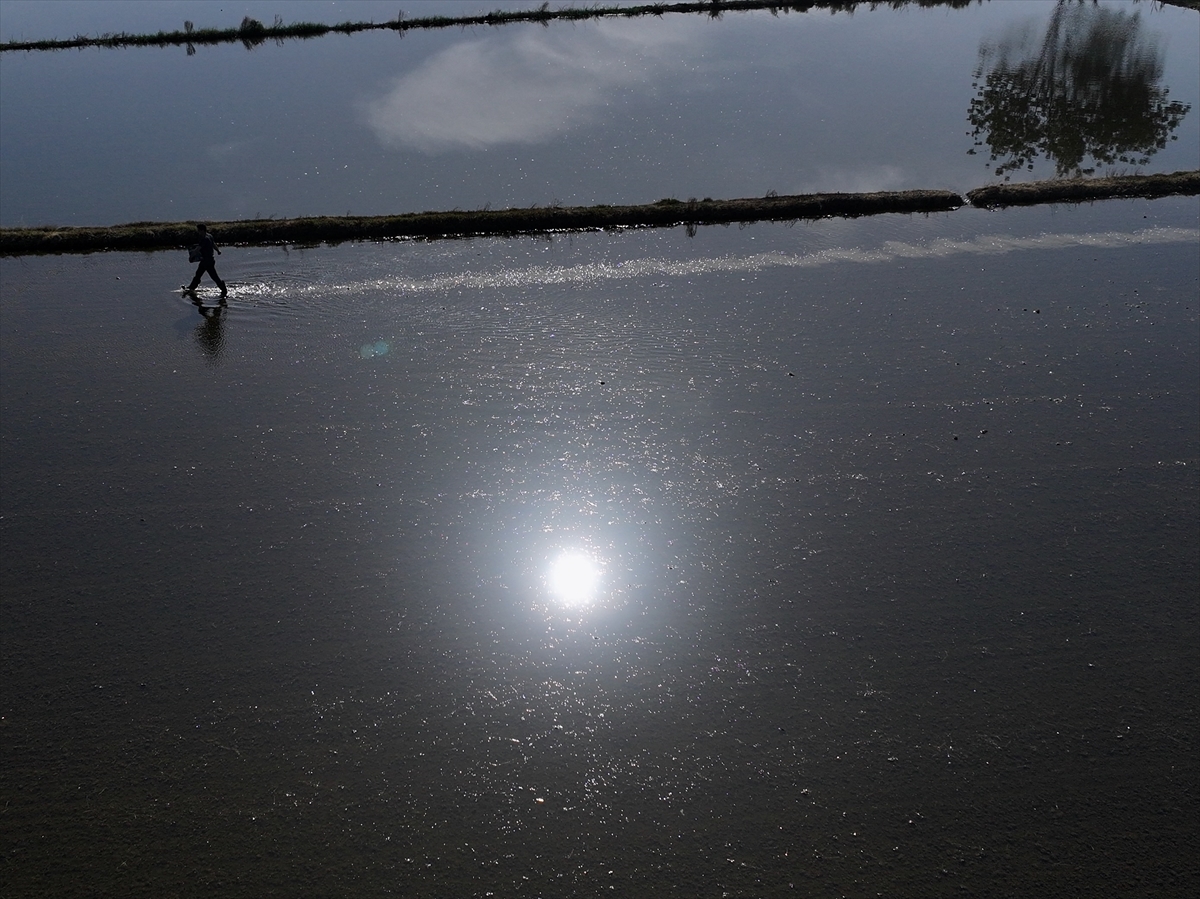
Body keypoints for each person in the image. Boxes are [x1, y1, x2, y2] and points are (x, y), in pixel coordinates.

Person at [185, 223, 226, 295]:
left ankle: (223, 288)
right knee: (199, 274)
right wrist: (218, 250)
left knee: (213, 276)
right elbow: (213, 244)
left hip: (206, 261)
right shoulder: (209, 236)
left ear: (202, 230)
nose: (198, 232)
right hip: (209, 260)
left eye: (199, 230)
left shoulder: (204, 239)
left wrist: (191, 257)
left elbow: (197, 249)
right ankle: (191, 288)